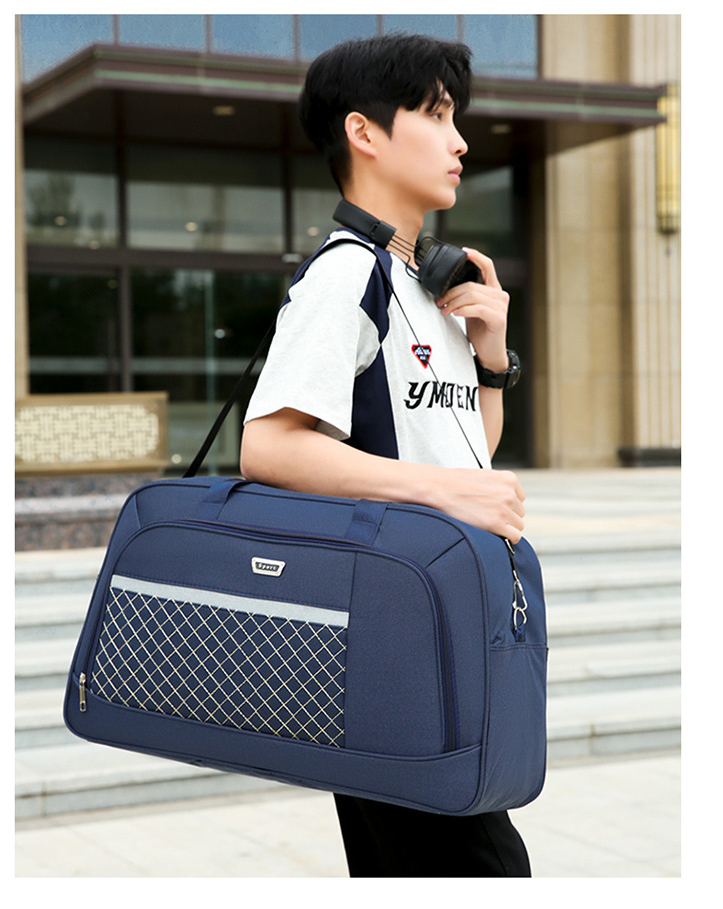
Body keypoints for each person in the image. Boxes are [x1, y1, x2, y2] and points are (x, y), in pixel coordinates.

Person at [239, 32, 531, 878]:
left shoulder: (430, 286)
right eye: (436, 116)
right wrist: (444, 491)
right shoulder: (346, 277)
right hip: (383, 641)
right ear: (364, 132)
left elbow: (465, 450)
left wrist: (491, 361)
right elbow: (269, 445)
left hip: (443, 621)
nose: (460, 141)